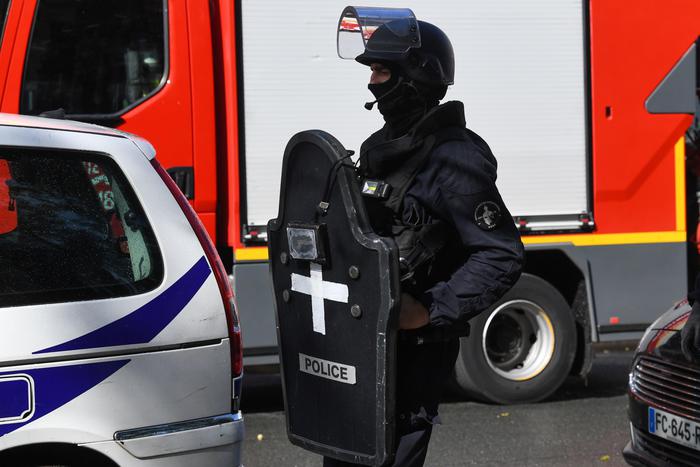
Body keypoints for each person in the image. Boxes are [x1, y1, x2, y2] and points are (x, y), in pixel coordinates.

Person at [324, 18, 524, 467]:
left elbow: (500, 254)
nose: (372, 82)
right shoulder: (381, 147)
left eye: (381, 71)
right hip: (364, 333)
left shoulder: (454, 156)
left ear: (415, 76)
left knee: (389, 454)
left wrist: (431, 309)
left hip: (413, 351)